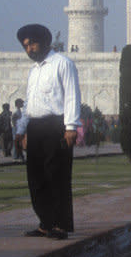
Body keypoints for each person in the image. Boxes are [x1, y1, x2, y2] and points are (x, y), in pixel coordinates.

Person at [14, 24, 82, 240]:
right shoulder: (35, 71)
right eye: (26, 46)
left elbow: (72, 95)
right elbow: (28, 105)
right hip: (35, 127)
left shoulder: (62, 64)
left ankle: (61, 225)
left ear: (44, 42)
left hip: (56, 126)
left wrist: (71, 126)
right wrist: (21, 129)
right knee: (36, 177)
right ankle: (45, 222)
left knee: (57, 175)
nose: (29, 49)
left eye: (32, 44)